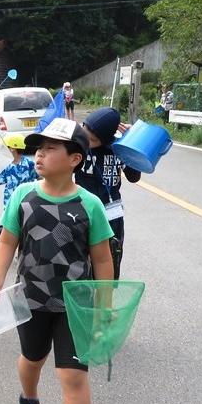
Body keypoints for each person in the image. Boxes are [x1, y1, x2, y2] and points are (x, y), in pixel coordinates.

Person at [0, 118, 114, 404]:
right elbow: (7, 242)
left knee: (72, 375)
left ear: (74, 159)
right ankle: (29, 396)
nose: (39, 153)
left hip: (75, 304)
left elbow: (102, 260)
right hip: (32, 298)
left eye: (50, 148)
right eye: (38, 147)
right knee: (32, 358)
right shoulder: (24, 195)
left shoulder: (90, 205)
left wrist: (102, 307)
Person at [75, 107, 141, 279]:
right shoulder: (77, 147)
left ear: (105, 140)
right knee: (79, 261)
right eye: (85, 134)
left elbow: (134, 177)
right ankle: (82, 299)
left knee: (111, 260)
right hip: (81, 213)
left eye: (93, 140)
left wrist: (131, 144)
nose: (87, 141)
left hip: (111, 217)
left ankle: (105, 300)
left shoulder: (118, 150)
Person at [0, 133, 38, 233]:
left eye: (6, 147)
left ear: (13, 148)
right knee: (7, 227)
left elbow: (38, 177)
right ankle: (1, 239)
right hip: (10, 202)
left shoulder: (29, 163)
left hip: (28, 200)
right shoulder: (6, 164)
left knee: (27, 225)